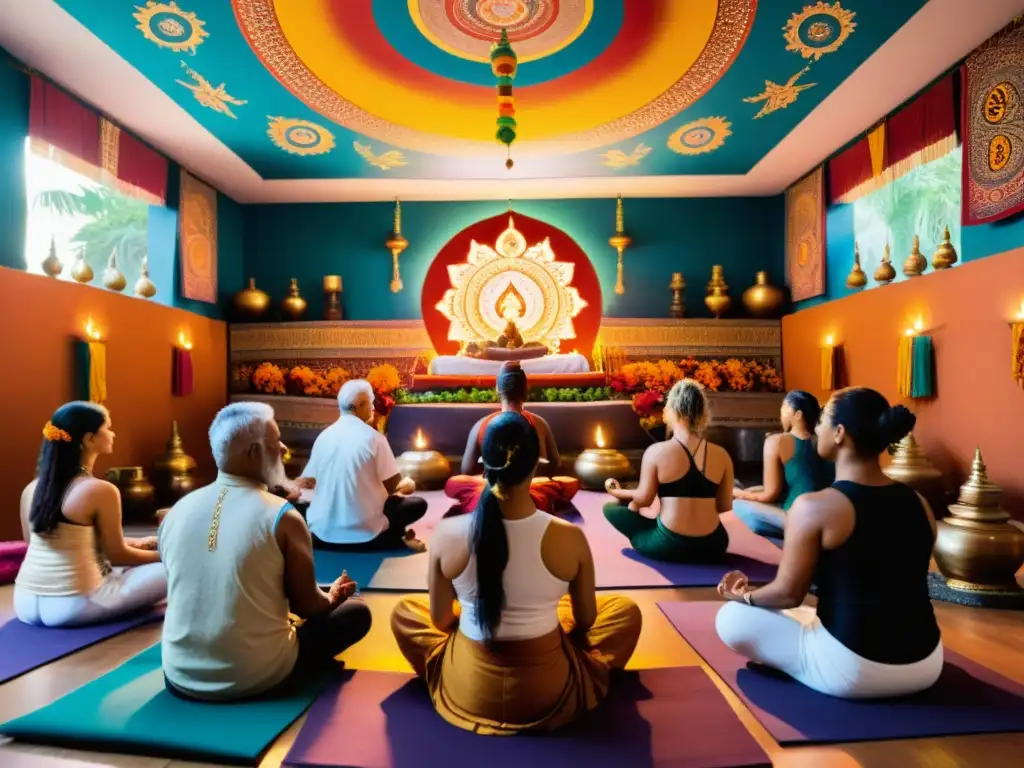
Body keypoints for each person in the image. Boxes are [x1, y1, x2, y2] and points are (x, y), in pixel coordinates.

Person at [391, 412, 642, 735]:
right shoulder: (569, 535)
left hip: (468, 686)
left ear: (483, 464)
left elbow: (440, 621)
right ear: (535, 466)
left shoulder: (447, 533)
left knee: (405, 613)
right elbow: (587, 621)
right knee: (624, 612)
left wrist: (477, 614)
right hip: (549, 689)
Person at [715, 387, 942, 699]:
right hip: (926, 664)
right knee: (811, 614)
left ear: (838, 433)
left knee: (731, 617)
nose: (816, 426)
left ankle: (799, 663)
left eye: (822, 419)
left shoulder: (813, 507)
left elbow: (788, 594)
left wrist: (744, 596)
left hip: (854, 668)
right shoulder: (920, 502)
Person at [160, 402, 372, 702]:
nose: (284, 449)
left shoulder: (177, 511)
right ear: (255, 452)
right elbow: (308, 608)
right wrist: (335, 595)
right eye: (277, 442)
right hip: (254, 676)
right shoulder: (282, 515)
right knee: (357, 612)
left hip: (180, 675)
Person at [14, 402, 167, 627]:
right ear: (89, 439)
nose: (112, 434)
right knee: (177, 568)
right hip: (75, 604)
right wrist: (168, 555)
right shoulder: (100, 490)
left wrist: (141, 542)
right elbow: (117, 556)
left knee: (120, 568)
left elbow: (54, 544)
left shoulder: (32, 489)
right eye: (107, 428)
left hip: (25, 603)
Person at [603, 379, 734, 563]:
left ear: (669, 411)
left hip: (670, 544)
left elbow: (643, 499)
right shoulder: (722, 455)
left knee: (612, 509)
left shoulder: (656, 452)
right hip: (713, 545)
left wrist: (618, 492)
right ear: (703, 413)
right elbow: (724, 506)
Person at [298, 379, 427, 552]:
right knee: (417, 504)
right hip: (366, 536)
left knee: (298, 506)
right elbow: (393, 487)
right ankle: (394, 539)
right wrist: (408, 484)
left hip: (323, 537)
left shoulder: (324, 437)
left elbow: (307, 482)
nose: (373, 407)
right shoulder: (375, 438)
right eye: (371, 402)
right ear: (359, 405)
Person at [445, 361, 579, 515]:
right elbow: (556, 464)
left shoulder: (481, 425)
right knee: (567, 483)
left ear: (497, 390)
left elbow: (465, 470)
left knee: (455, 483)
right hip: (531, 491)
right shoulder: (540, 424)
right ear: (526, 390)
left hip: (493, 490)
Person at [732, 391, 834, 541]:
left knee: (737, 505)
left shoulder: (777, 441)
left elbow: (770, 494)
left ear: (797, 414)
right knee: (751, 491)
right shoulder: (826, 441)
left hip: (798, 519)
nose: (781, 414)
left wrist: (737, 493)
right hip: (831, 517)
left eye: (784, 408)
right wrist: (748, 492)